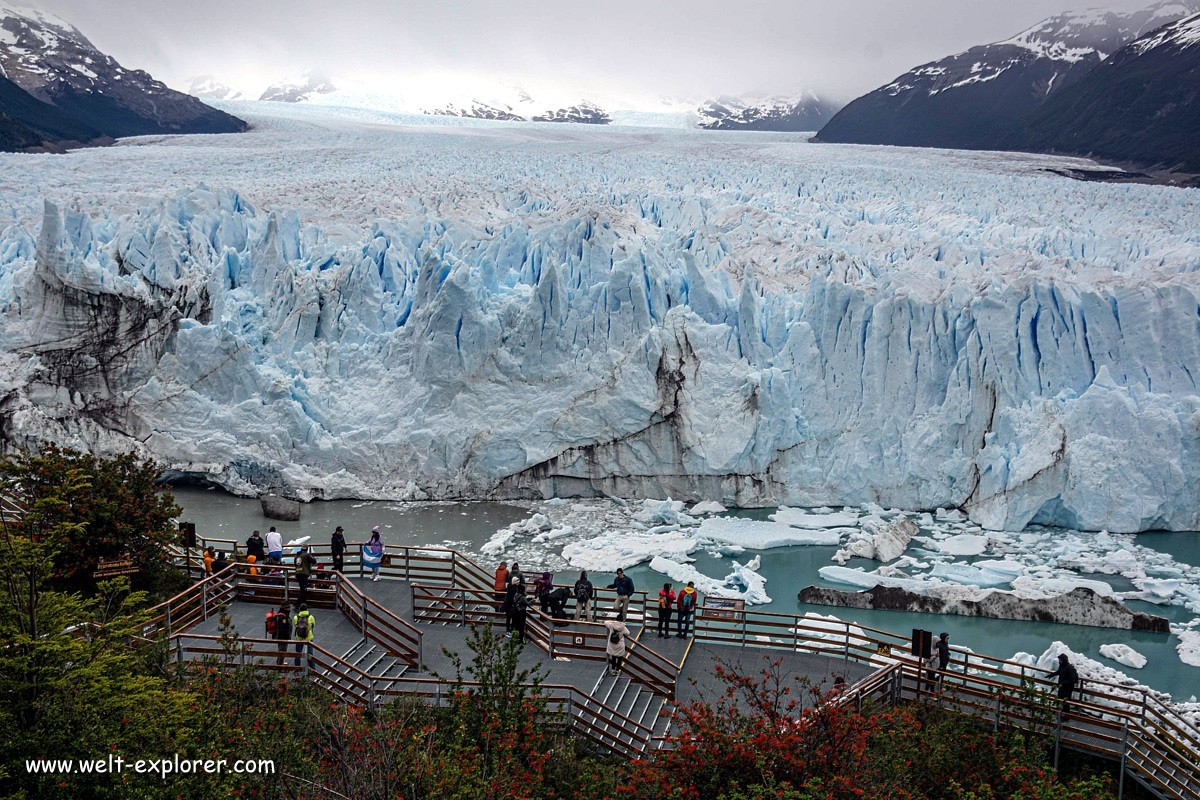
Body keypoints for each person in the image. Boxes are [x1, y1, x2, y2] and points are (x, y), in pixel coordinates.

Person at [293, 603, 315, 668]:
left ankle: (297, 668)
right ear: (307, 609)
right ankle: (312, 668)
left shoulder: (296, 617)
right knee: (310, 654)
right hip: (308, 638)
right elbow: (313, 625)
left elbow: (295, 625)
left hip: (299, 638)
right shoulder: (311, 617)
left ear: (300, 609)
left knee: (298, 653)